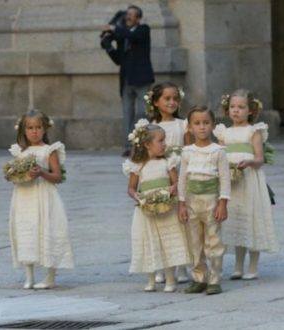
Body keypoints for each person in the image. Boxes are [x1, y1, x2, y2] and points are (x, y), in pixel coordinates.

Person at [214, 90, 278, 280]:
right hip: (231, 182)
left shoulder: (254, 131)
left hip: (249, 180)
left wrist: (250, 163)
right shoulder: (223, 132)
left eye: (241, 107)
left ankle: (253, 266)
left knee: (250, 218)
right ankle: (238, 266)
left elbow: (260, 158)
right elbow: (219, 154)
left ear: (250, 111)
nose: (236, 111)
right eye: (233, 107)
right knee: (235, 219)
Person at [7, 109, 74, 290]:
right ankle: (28, 275)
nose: (34, 131)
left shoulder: (49, 151)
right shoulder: (20, 152)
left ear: (45, 129)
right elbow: (14, 175)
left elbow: (58, 176)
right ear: (23, 130)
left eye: (38, 127)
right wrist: (15, 175)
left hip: (44, 196)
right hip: (24, 197)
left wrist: (42, 173)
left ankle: (50, 276)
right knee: (26, 231)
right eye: (30, 128)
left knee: (48, 230)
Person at [123, 121, 191, 292]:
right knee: (149, 241)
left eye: (164, 140)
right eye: (160, 141)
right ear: (147, 144)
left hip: (167, 208)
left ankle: (170, 279)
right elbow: (131, 188)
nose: (164, 144)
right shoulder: (137, 165)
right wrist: (136, 195)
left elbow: (177, 182)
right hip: (147, 210)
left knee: (168, 241)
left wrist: (173, 188)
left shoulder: (168, 162)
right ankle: (151, 279)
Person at [178, 106, 231, 295]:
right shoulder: (187, 152)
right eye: (197, 123)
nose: (202, 127)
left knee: (213, 241)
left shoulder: (218, 152)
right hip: (192, 202)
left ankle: (214, 279)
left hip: (211, 202)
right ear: (190, 127)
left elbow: (225, 179)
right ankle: (199, 278)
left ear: (213, 126)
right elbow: (182, 179)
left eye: (206, 123)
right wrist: (181, 204)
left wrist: (223, 203)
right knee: (195, 242)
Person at [144, 82, 191, 284]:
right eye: (167, 98)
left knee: (181, 221)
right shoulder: (149, 128)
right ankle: (161, 266)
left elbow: (189, 149)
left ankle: (181, 266)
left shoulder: (184, 125)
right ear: (156, 102)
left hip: (180, 172)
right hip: (158, 176)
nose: (172, 102)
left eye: (175, 98)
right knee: (160, 222)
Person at [102, 5, 155, 157]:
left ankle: (145, 143)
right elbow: (119, 59)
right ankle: (128, 145)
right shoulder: (122, 36)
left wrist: (114, 28)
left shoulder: (143, 30)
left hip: (142, 79)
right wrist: (108, 48)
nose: (128, 17)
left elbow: (133, 36)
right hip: (126, 80)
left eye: (131, 15)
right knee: (127, 114)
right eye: (127, 15)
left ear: (138, 18)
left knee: (143, 112)